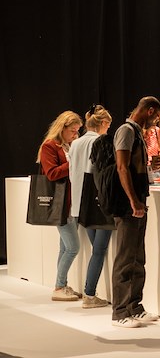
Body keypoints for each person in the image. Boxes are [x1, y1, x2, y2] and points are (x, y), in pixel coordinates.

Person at [111, 96, 160, 328]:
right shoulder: (126, 131)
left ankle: (134, 307)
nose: (156, 121)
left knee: (138, 257)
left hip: (139, 200)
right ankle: (119, 312)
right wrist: (133, 201)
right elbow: (122, 167)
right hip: (127, 204)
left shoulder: (136, 132)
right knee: (125, 258)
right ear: (150, 111)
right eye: (156, 117)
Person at [68, 105, 112, 308]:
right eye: (108, 125)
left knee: (97, 249)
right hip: (98, 202)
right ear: (103, 123)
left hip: (80, 204)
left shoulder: (76, 143)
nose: (108, 128)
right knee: (99, 250)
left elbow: (72, 173)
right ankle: (90, 295)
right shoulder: (101, 142)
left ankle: (90, 293)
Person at [37, 110, 83, 302]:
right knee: (73, 247)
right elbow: (52, 173)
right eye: (72, 130)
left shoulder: (70, 145)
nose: (75, 134)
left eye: (77, 131)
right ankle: (58, 287)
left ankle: (61, 284)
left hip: (73, 201)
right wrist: (73, 162)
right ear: (62, 128)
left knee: (65, 248)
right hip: (61, 203)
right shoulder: (50, 146)